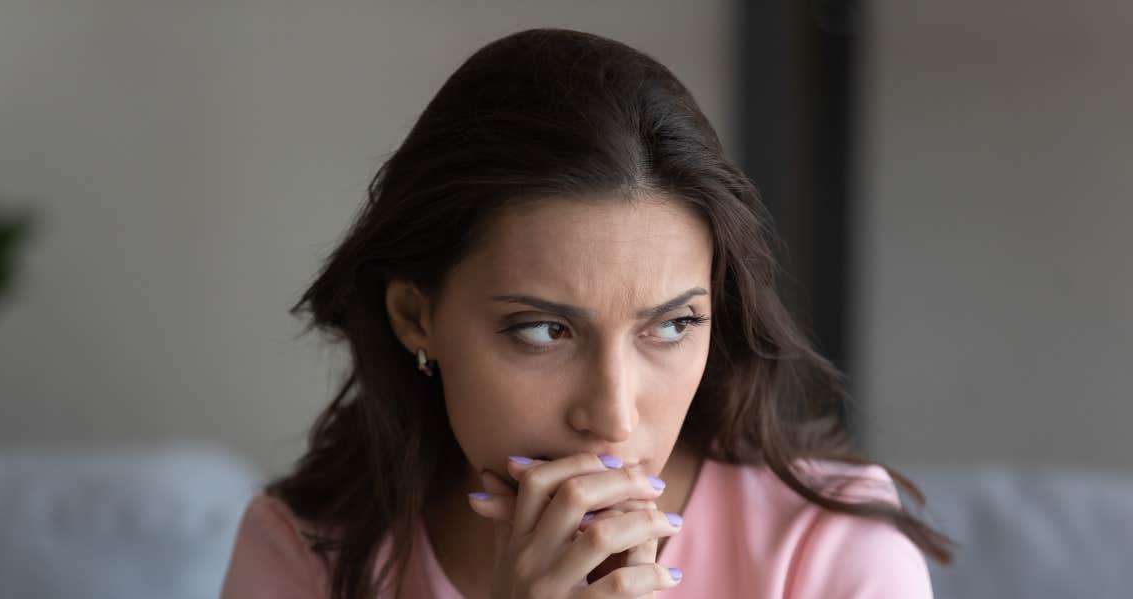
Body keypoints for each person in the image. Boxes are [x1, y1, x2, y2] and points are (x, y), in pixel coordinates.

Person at [219, 27, 955, 599]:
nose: (612, 415)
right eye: (544, 330)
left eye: (671, 325)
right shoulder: (307, 551)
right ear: (416, 315)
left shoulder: (827, 546)